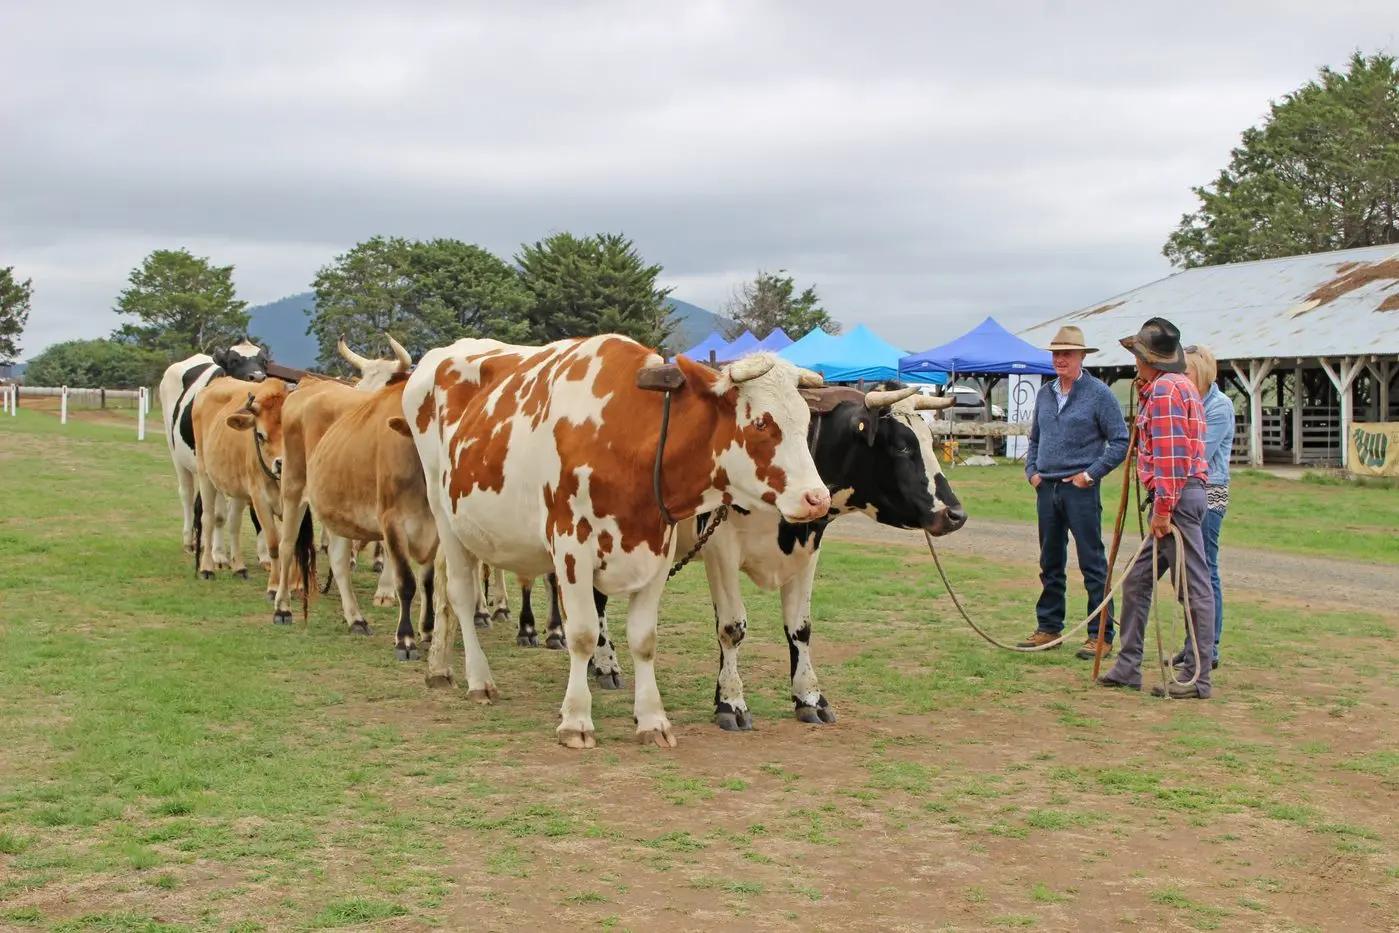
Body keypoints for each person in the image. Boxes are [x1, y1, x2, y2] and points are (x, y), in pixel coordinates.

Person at [1097, 317, 1216, 699]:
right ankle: (1128, 665)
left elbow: (1171, 458)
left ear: (1149, 359)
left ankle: (1199, 678)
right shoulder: (1177, 386)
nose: (1135, 362)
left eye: (1137, 355)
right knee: (1138, 580)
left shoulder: (1165, 392)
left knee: (1193, 586)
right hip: (1181, 496)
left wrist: (1162, 509)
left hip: (1175, 499)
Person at [1018, 325, 1130, 657]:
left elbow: (1120, 440)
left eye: (1067, 353)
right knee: (1049, 561)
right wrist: (1032, 472)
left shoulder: (1100, 394)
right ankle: (1049, 626)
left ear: (1082, 356)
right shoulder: (1045, 393)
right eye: (1056, 353)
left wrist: (1090, 475)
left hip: (1079, 490)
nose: (1060, 359)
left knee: (1092, 563)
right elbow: (1035, 438)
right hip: (1046, 487)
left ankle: (1101, 634)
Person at [1171, 344, 1233, 671]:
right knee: (1188, 572)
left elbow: (1199, 453)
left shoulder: (1219, 407)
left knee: (1206, 569)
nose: (1182, 377)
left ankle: (1210, 646)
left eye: (1187, 371)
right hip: (1188, 489)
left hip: (1208, 492)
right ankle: (1193, 642)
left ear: (1203, 373)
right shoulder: (1188, 404)